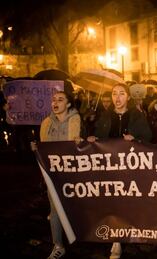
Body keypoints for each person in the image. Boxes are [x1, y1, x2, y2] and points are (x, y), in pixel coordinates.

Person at [87, 83, 152, 259]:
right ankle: (116, 242)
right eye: (114, 93)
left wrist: (136, 139)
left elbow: (148, 138)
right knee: (115, 203)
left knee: (130, 202)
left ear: (128, 97)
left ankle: (135, 230)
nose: (117, 97)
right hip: (111, 170)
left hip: (131, 170)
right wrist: (93, 138)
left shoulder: (137, 116)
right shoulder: (105, 116)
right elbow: (98, 137)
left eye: (121, 93)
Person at [38, 89, 81, 259]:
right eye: (54, 100)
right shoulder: (46, 122)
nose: (55, 103)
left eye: (60, 100)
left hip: (70, 172)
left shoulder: (75, 119)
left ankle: (75, 234)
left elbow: (71, 144)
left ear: (68, 104)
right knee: (55, 208)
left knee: (71, 206)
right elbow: (44, 149)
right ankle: (58, 245)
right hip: (52, 172)